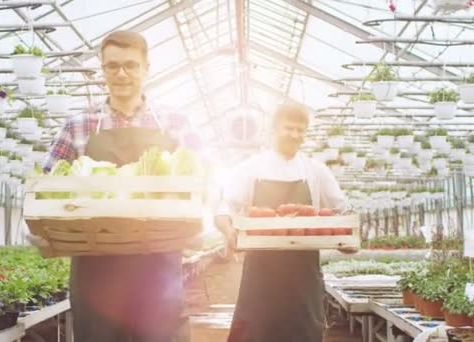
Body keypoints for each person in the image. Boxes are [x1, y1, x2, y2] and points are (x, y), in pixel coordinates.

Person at [41, 30, 198, 342]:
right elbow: (46, 190)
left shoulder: (174, 123)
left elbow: (201, 185)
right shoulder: (78, 126)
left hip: (158, 272)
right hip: (97, 274)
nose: (121, 74)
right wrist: (44, 229)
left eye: (130, 65)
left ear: (146, 68)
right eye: (112, 66)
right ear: (102, 70)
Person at [215, 102, 353, 342]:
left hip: (303, 275)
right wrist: (228, 231)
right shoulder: (251, 168)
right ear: (273, 129)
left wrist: (347, 239)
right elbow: (224, 208)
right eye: (289, 128)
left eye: (301, 130)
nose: (295, 135)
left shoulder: (315, 170)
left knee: (303, 334)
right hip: (261, 274)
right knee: (255, 334)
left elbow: (343, 210)